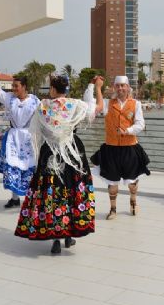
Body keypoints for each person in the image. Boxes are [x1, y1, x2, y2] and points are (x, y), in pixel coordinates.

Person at [14, 75, 104, 254]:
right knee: (71, 188)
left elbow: (36, 131)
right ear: (66, 89)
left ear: (53, 90)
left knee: (52, 190)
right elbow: (96, 109)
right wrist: (95, 87)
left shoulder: (44, 106)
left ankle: (55, 237)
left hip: (50, 153)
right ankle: (69, 235)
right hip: (72, 151)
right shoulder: (75, 105)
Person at [90, 75, 150, 220]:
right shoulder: (106, 103)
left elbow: (140, 124)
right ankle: (113, 209)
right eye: (118, 85)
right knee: (112, 182)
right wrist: (96, 87)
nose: (120, 88)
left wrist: (128, 131)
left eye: (123, 85)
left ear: (128, 87)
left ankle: (133, 201)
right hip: (111, 148)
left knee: (132, 182)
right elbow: (92, 106)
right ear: (114, 87)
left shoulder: (135, 104)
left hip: (130, 147)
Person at [0, 65, 41, 208]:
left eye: (16, 86)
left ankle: (31, 198)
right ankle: (14, 198)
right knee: (12, 165)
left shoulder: (35, 101)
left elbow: (44, 118)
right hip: (13, 138)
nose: (13, 88)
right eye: (13, 86)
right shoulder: (9, 98)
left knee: (29, 167)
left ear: (24, 86)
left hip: (28, 138)